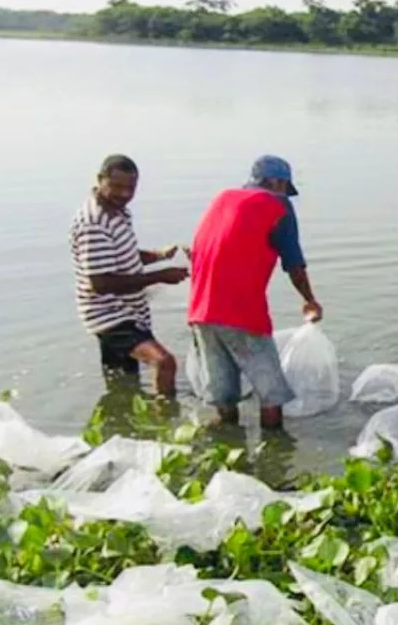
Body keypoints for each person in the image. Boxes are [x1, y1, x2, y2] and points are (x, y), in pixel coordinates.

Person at [187, 155, 323, 431]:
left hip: (200, 311)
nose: (286, 194)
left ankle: (227, 452)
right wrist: (310, 300)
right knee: (270, 394)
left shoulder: (223, 198)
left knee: (223, 395)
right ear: (277, 182)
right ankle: (275, 456)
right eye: (285, 187)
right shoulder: (277, 205)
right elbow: (294, 264)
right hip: (240, 313)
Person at [69, 154, 189, 395]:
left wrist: (156, 255)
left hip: (129, 309)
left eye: (130, 188)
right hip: (108, 313)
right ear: (100, 180)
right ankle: (164, 423)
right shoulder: (93, 223)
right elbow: (101, 283)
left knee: (123, 381)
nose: (124, 194)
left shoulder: (116, 211)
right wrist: (160, 275)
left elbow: (116, 255)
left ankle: (121, 422)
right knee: (164, 363)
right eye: (116, 187)